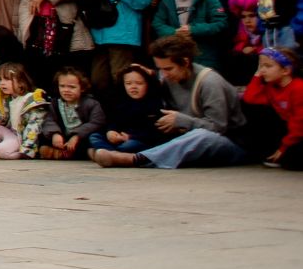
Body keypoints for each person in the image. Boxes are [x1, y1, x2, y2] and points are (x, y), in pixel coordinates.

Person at [93, 35, 249, 169]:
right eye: (160, 69)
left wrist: (181, 120)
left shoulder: (210, 82)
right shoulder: (168, 79)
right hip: (186, 138)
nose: (164, 74)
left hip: (227, 143)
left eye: (168, 69)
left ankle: (137, 159)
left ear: (185, 62)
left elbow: (217, 128)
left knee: (202, 136)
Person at [241, 47, 303, 170]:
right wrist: (257, 75)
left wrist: (283, 148)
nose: (262, 70)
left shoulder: (298, 88)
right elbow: (250, 98)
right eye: (261, 66)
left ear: (285, 70)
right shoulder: (271, 87)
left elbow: (299, 122)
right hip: (290, 128)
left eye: (268, 66)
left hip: (299, 130)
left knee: (291, 160)